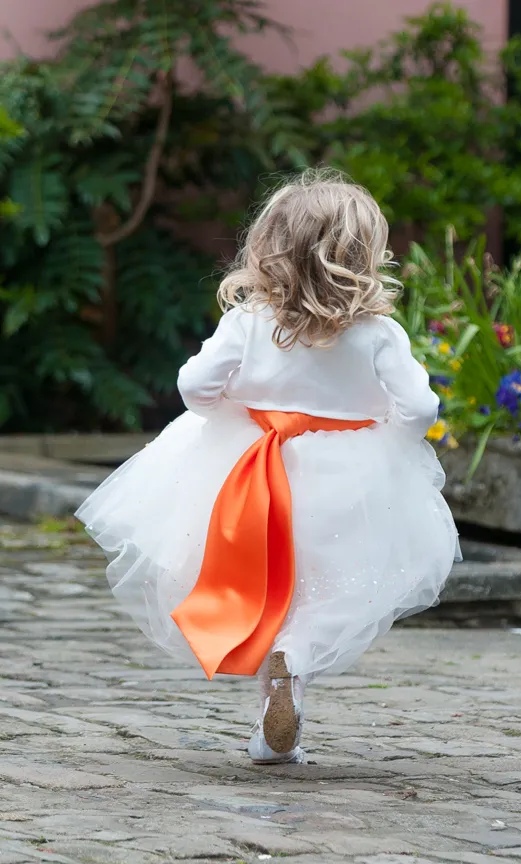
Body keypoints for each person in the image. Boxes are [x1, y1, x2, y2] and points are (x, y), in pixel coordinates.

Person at [76, 171, 460, 765]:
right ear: (362, 255)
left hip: (252, 469)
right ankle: (293, 666)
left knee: (268, 585)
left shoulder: (250, 322)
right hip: (349, 482)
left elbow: (194, 387)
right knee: (329, 591)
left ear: (269, 249)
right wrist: (385, 437)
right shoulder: (379, 334)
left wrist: (235, 415)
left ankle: (274, 710)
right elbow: (420, 410)